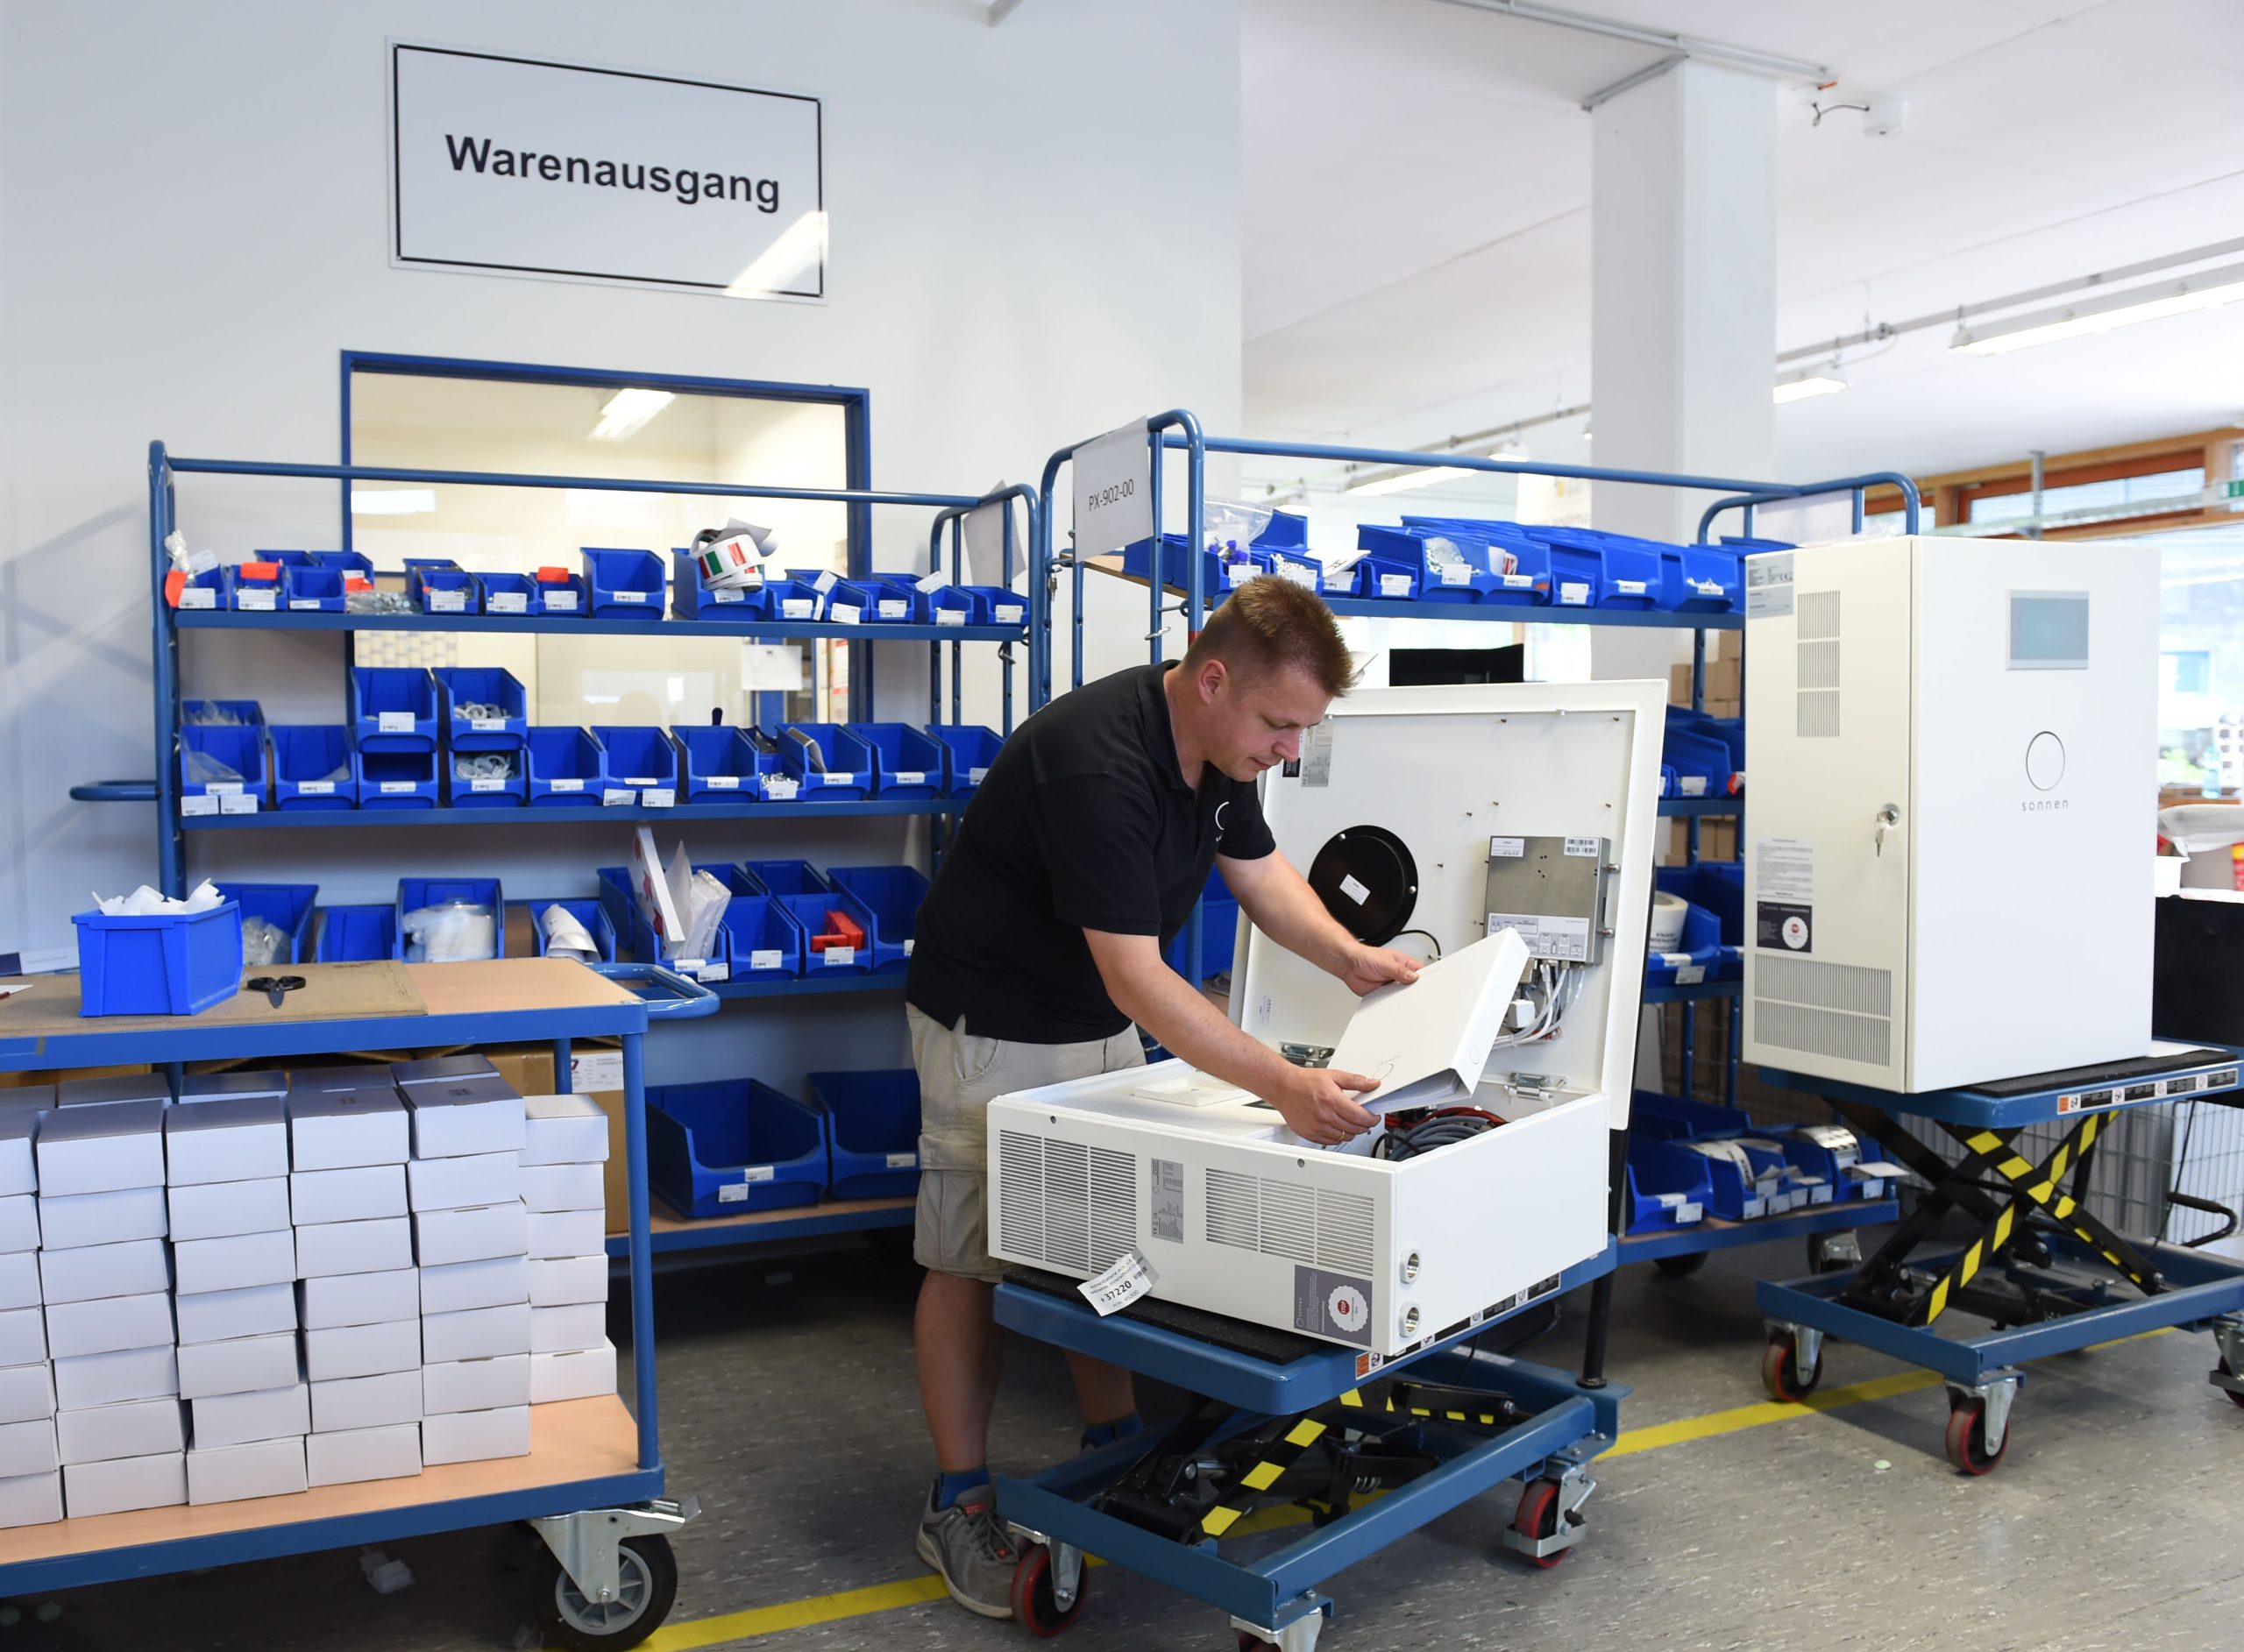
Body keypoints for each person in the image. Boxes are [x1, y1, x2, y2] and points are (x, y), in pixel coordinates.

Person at [901, 575, 1424, 1617]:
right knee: (969, 1255)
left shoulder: (1218, 747)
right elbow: (1138, 975)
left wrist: (1353, 957)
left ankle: (1115, 1444)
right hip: (990, 1024)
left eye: (1299, 731)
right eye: (1279, 725)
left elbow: (1260, 870)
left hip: (1087, 1015)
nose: (1286, 749)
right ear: (1213, 678)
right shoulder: (1099, 761)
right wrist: (1284, 1083)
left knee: (1101, 1230)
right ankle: (956, 1501)